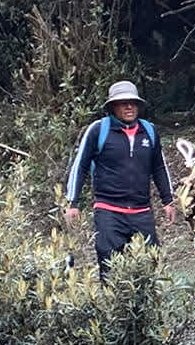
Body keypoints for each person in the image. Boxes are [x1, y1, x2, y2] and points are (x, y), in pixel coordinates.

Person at [64, 80, 176, 277]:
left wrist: (168, 200)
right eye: (123, 103)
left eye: (132, 102)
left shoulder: (149, 132)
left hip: (142, 213)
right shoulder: (98, 130)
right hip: (109, 213)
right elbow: (80, 166)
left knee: (149, 268)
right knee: (110, 272)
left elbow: (159, 167)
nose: (129, 106)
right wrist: (72, 203)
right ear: (112, 106)